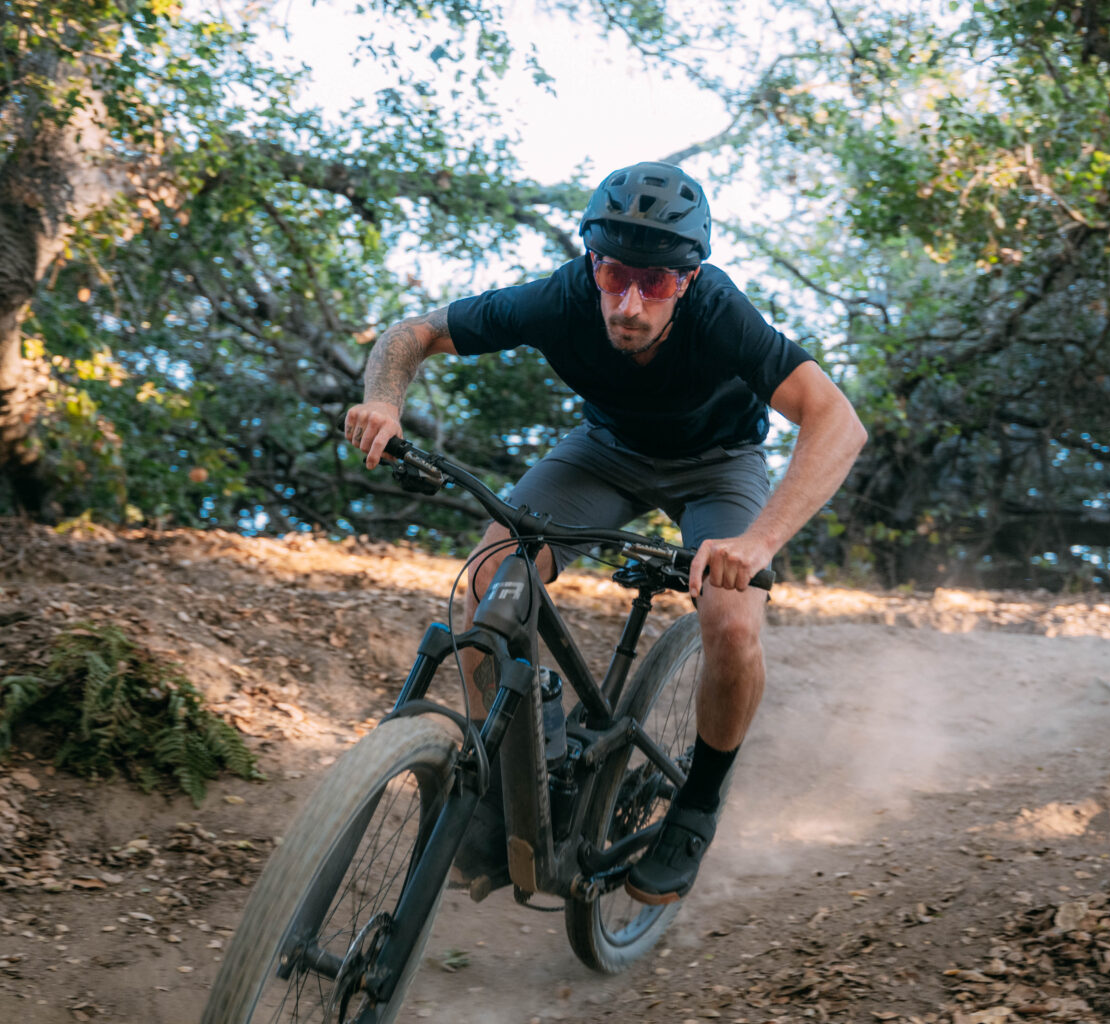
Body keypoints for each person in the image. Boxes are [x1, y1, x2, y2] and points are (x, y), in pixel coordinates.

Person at [344, 160, 866, 906]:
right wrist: (384, 401)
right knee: (487, 589)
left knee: (732, 622)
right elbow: (416, 332)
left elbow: (836, 420)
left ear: (687, 279)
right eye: (615, 273)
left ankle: (697, 807)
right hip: (605, 454)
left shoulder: (720, 313)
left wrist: (759, 543)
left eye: (654, 282)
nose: (628, 302)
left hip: (718, 468)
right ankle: (528, 775)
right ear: (592, 262)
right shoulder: (561, 298)